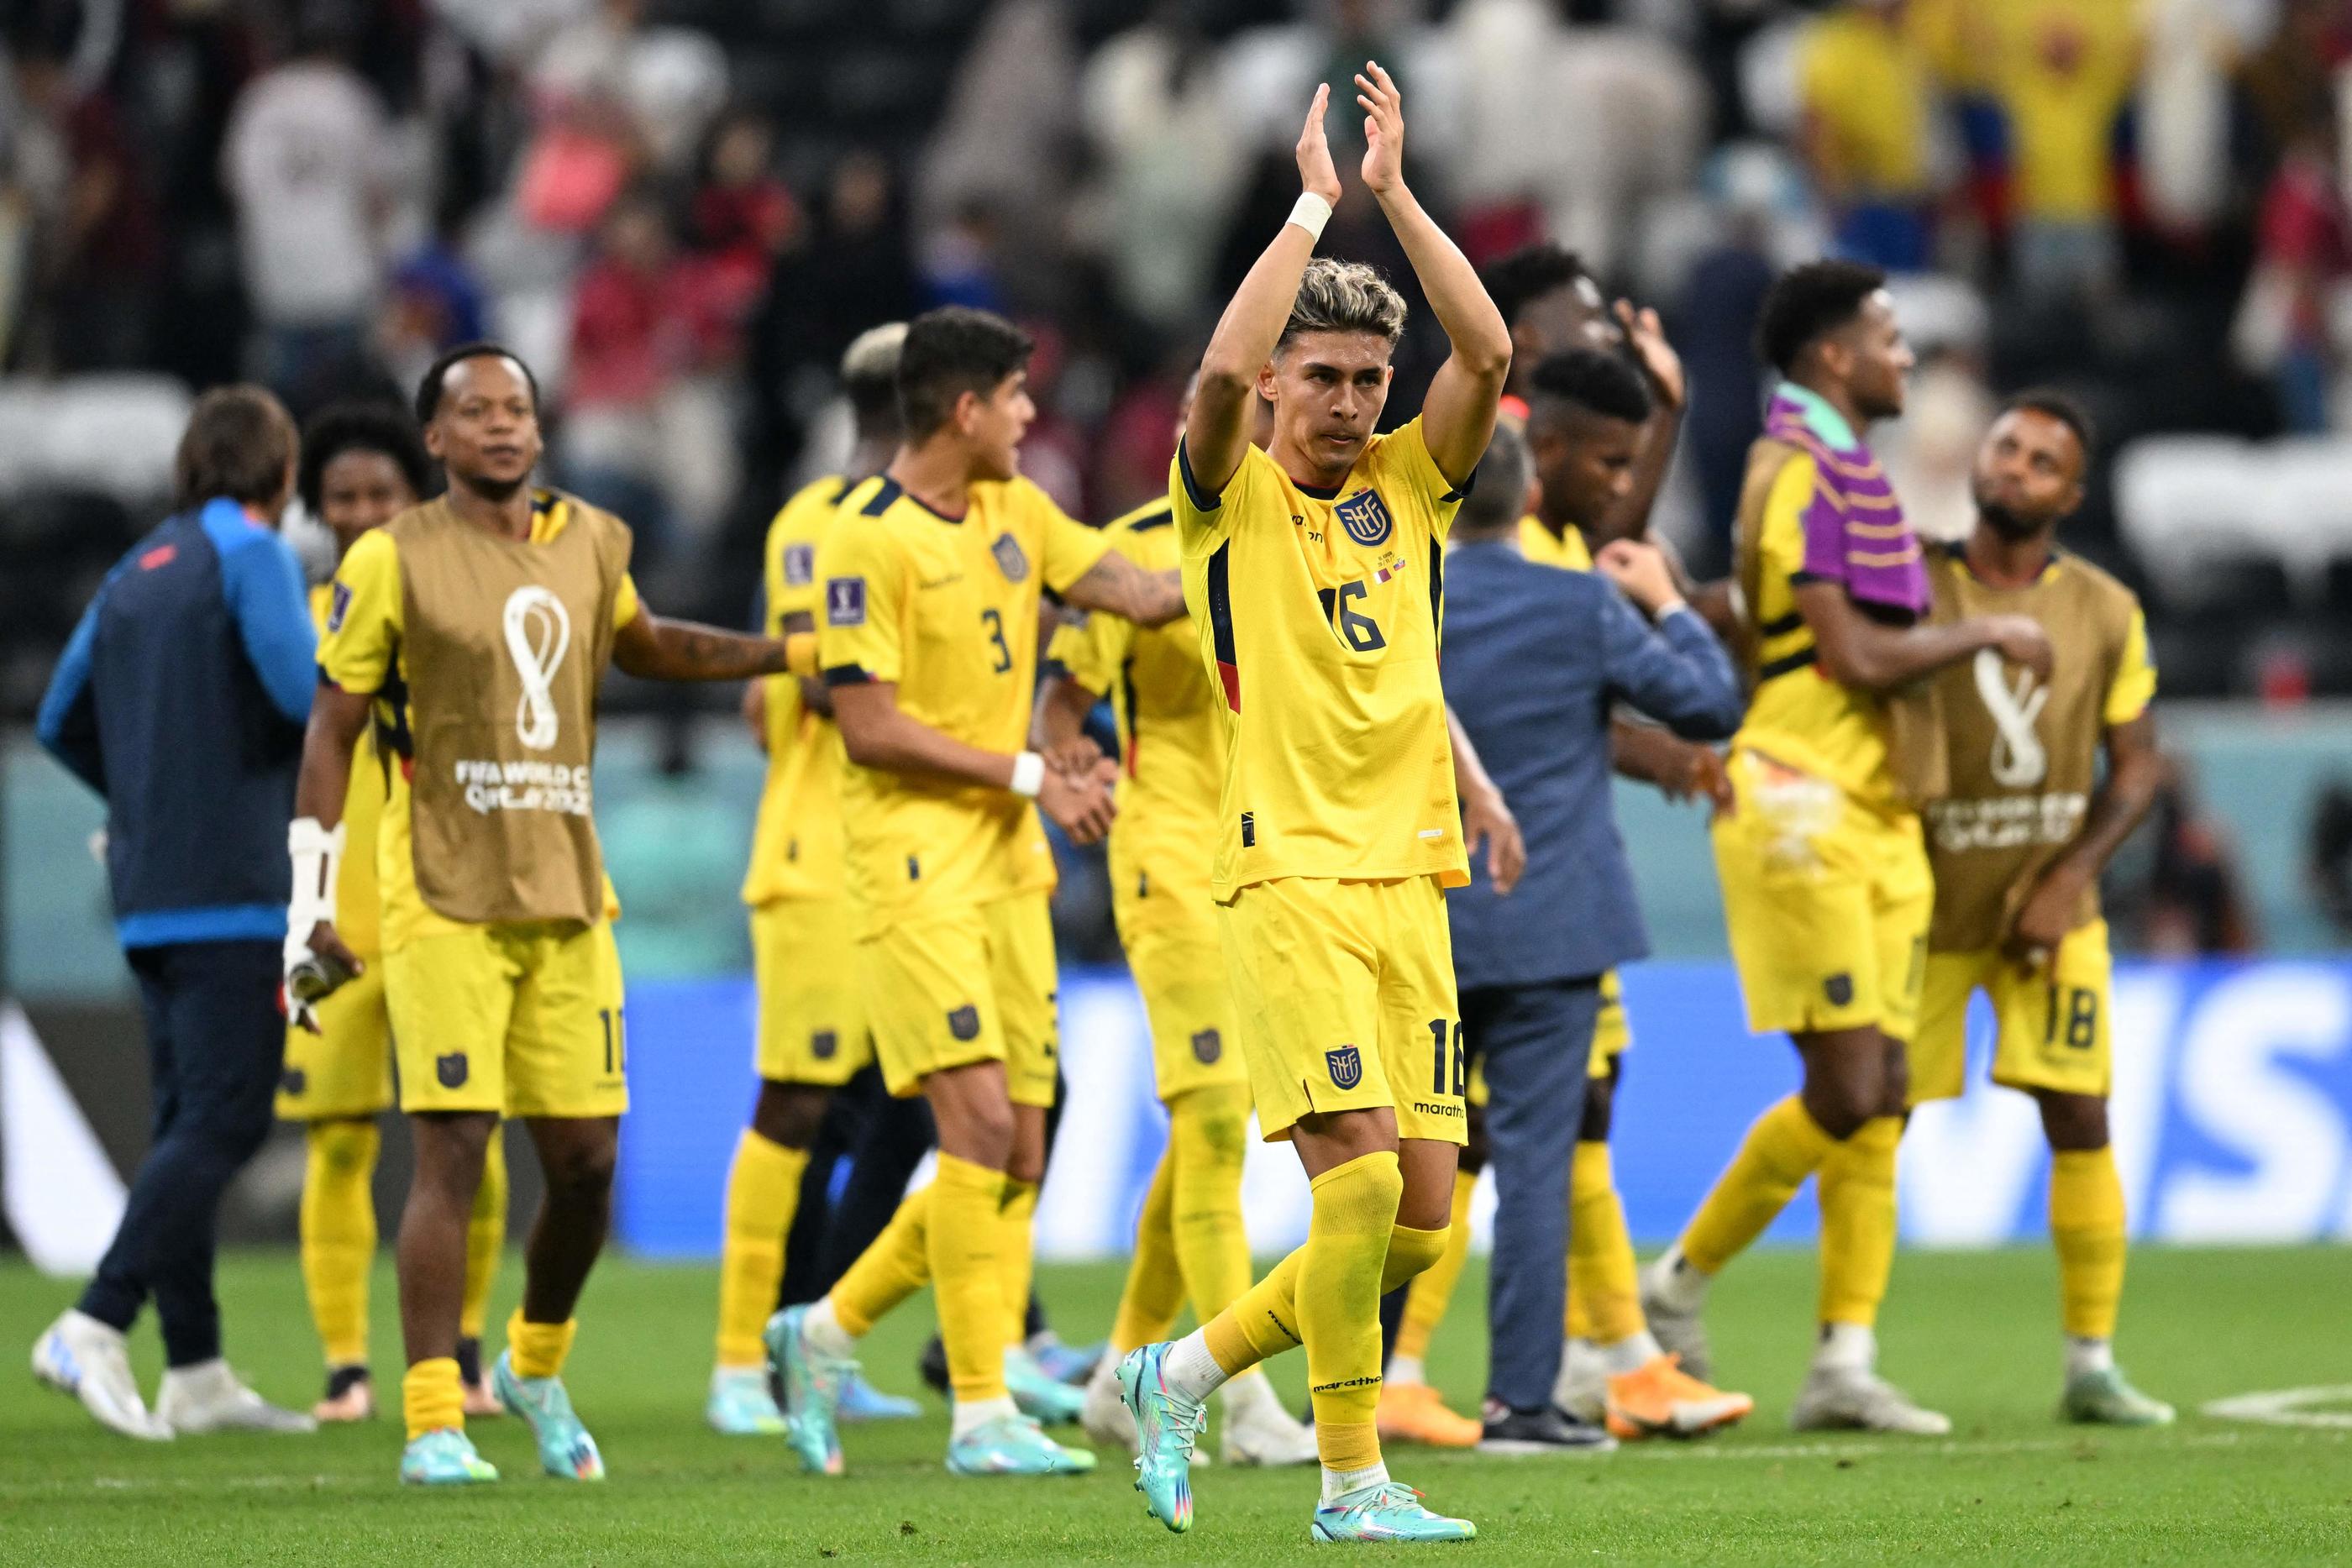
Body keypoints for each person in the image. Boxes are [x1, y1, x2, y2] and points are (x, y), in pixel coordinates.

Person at [291, 343, 802, 1487]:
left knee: (584, 1163)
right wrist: (311, 899)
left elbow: (652, 643)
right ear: (435, 439)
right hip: (442, 891)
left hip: (568, 893)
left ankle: (532, 1360)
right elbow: (332, 725)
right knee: (455, 1147)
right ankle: (433, 1415)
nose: (501, 425)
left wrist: (797, 649)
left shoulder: (592, 540)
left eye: (516, 407)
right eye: (473, 411)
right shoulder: (391, 559)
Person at [1120, 65, 1512, 1544]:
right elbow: (1214, 380)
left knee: (1422, 1215)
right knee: (1352, 1190)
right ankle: (1352, 1483)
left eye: (1367, 379)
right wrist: (1308, 204)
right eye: (1325, 376)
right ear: (1282, 380)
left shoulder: (1411, 484)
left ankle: (1185, 1365)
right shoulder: (1223, 497)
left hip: (1411, 875)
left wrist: (1397, 198)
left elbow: (1490, 345)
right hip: (1283, 869)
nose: (1349, 402)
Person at [764, 305, 1188, 1480]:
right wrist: (1032, 770)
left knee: (1018, 1147)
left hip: (1008, 865)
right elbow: (868, 723)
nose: (1030, 416)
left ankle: (825, 1329)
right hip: (911, 860)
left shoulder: (1017, 511)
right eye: (1015, 398)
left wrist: (1252, 540)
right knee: (978, 1127)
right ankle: (979, 1406)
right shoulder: (863, 539)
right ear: (964, 410)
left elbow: (1137, 592)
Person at [1637, 260, 2053, 1433]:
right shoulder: (1804, 473)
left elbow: (1772, 609)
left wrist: (1694, 596)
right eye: (1887, 335)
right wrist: (1990, 633)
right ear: (1833, 357)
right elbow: (1855, 658)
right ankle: (1675, 1284)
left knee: (1886, 1097)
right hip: (1801, 800)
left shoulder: (1831, 470)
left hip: (1874, 809)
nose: (1905, 355)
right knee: (1852, 1081)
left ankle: (1844, 1359)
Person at [1386, 239, 1749, 1446]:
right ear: (1530, 482)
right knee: (1538, 1161)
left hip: (1422, 910)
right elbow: (1707, 707)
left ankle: (1371, 1384)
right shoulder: (1581, 597)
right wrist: (1667, 601)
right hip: (1552, 924)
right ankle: (1522, 1399)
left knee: (1413, 1160)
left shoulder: (1398, 595)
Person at [1032, 395, 1318, 1471]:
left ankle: (1116, 1379)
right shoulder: (1132, 554)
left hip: (1280, 859)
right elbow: (1064, 700)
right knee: (1208, 1127)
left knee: (1217, 1122)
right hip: (1169, 858)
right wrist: (1069, 756)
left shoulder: (1310, 530)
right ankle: (1236, 1401)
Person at [32, 385, 319, 1439]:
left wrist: (146, 798)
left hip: (149, 891)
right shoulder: (252, 554)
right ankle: (95, 1320)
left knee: (180, 1120)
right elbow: (305, 694)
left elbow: (62, 717)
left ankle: (193, 1367)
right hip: (235, 890)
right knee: (226, 1118)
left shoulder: (131, 570)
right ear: (281, 475)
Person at [1911, 393, 2172, 1426]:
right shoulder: (1914, 584)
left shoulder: (2106, 608)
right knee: (1859, 1117)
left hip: (2048, 911)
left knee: (2080, 1113)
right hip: (1923, 912)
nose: (2014, 467)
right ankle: (1822, 1343)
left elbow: (2139, 767)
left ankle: (2091, 1362)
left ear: (2071, 492)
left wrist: (2070, 879)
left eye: (2040, 461)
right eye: (2005, 447)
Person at [274, 403, 509, 1424]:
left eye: (379, 494)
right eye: (343, 499)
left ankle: (460, 1350)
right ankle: (344, 1367)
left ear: (412, 495)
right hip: (336, 915)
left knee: (470, 1141)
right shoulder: (290, 615)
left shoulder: (450, 601)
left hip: (440, 908)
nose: (363, 512)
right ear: (315, 511)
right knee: (336, 1142)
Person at [710, 323, 924, 1434]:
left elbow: (762, 699)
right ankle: (743, 1357)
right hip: (820, 852)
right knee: (795, 1105)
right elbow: (833, 687)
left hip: (891, 853)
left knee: (919, 1099)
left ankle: (819, 1336)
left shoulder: (857, 518)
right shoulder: (832, 522)